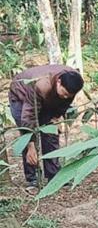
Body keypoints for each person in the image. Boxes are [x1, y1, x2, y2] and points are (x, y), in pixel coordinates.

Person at [8, 64, 84, 192]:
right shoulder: (41, 85)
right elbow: (28, 117)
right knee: (28, 138)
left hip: (48, 99)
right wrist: (31, 145)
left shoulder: (73, 82)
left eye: (69, 95)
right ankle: (33, 178)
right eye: (64, 93)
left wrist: (56, 117)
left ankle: (53, 175)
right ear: (59, 82)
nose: (66, 97)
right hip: (21, 96)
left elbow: (65, 102)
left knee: (51, 134)